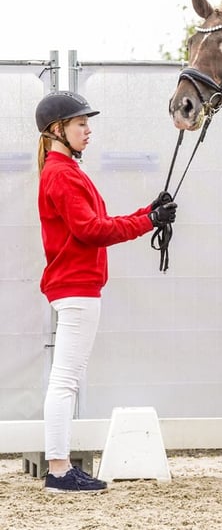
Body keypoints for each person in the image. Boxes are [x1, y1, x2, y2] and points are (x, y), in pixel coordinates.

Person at [35, 90, 177, 493]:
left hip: (77, 285)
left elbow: (99, 221)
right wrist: (149, 221)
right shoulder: (61, 174)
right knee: (65, 380)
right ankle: (59, 471)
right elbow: (91, 231)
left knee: (67, 378)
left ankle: (60, 468)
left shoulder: (66, 172)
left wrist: (146, 213)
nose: (88, 129)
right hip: (77, 286)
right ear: (58, 130)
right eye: (81, 123)